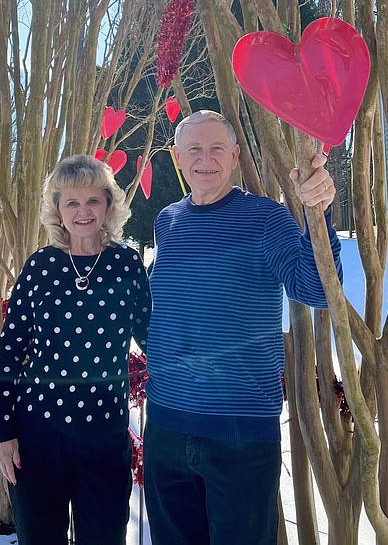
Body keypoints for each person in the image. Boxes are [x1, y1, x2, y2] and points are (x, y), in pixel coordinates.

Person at [143, 110, 342, 545]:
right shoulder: (167, 222)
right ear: (178, 158)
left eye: (217, 148)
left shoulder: (266, 219)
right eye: (194, 149)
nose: (205, 158)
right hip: (166, 428)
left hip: (241, 434)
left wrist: (318, 214)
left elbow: (316, 289)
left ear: (235, 157)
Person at [0, 154, 151, 545]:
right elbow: (10, 350)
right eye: (72, 203)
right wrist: (3, 431)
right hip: (38, 434)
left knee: (105, 536)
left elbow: (152, 340)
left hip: (105, 435)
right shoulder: (39, 266)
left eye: (93, 200)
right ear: (58, 210)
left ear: (109, 205)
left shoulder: (127, 264)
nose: (83, 211)